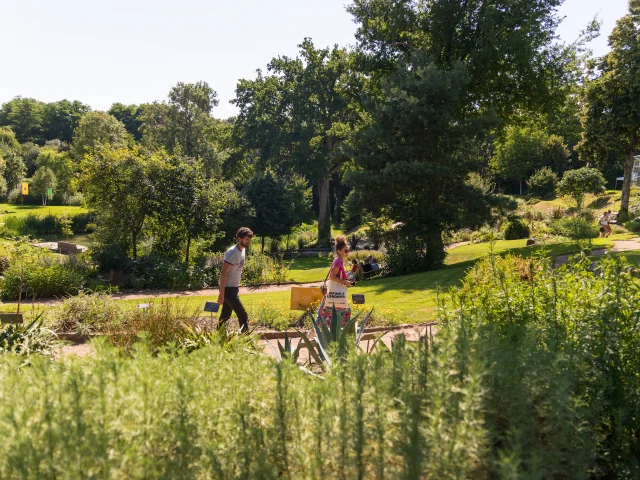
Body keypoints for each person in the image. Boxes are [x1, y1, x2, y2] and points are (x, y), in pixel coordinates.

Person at [217, 227, 254, 333]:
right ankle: (246, 341)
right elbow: (223, 273)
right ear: (239, 238)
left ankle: (218, 338)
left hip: (234, 288)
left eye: (249, 239)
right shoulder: (232, 252)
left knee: (225, 315)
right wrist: (221, 295)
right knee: (243, 314)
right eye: (246, 239)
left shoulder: (242, 250)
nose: (248, 242)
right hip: (228, 289)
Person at [316, 235, 353, 328]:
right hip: (335, 292)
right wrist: (345, 282)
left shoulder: (339, 261)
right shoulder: (338, 261)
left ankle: (315, 332)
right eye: (346, 250)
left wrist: (347, 276)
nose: (347, 252)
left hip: (334, 293)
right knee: (345, 312)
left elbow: (337, 275)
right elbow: (332, 277)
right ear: (339, 251)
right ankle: (344, 333)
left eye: (348, 250)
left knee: (325, 313)